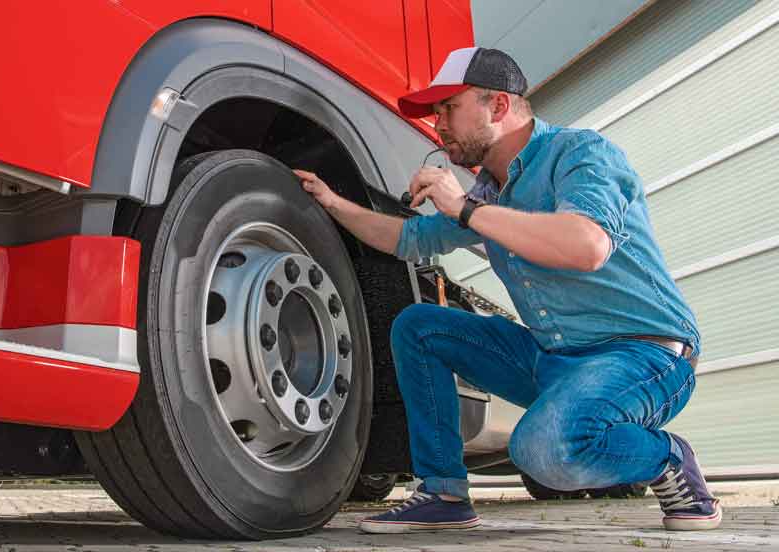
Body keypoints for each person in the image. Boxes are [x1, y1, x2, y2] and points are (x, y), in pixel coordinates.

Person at [293, 46, 721, 534]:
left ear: (497, 106)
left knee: (543, 450)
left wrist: (466, 211)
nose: (438, 125)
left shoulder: (580, 153)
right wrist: (332, 203)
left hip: (644, 355)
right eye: (436, 113)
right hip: (551, 357)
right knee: (420, 326)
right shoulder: (489, 193)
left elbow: (586, 246)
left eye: (448, 109)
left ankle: (668, 457)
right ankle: (445, 493)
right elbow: (408, 239)